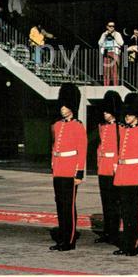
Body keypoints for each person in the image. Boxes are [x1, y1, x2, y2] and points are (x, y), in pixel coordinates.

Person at [113, 93, 138, 256]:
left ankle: (133, 244)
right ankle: (125, 243)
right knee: (124, 212)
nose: (126, 117)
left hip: (135, 175)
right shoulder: (123, 131)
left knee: (132, 212)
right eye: (126, 114)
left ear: (136, 115)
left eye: (129, 114)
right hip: (122, 175)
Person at [49, 83, 87, 252]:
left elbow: (82, 150)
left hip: (71, 170)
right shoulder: (57, 126)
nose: (63, 109)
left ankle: (69, 240)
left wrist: (79, 172)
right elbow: (54, 147)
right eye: (62, 106)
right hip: (59, 169)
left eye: (66, 106)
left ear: (72, 107)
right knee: (60, 205)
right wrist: (53, 166)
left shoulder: (78, 126)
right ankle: (62, 238)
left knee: (68, 205)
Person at [95, 91, 123, 245]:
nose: (105, 114)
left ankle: (114, 233)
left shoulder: (120, 127)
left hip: (114, 168)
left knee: (114, 203)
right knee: (105, 202)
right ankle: (107, 231)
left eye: (107, 111)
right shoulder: (102, 127)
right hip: (103, 168)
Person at [98, 22, 124, 86]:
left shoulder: (117, 34)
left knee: (114, 71)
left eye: (113, 26)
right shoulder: (104, 34)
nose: (112, 27)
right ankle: (106, 85)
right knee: (106, 71)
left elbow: (121, 43)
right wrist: (104, 35)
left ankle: (115, 86)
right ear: (107, 27)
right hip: (106, 53)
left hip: (114, 52)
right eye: (110, 26)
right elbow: (100, 43)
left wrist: (114, 36)